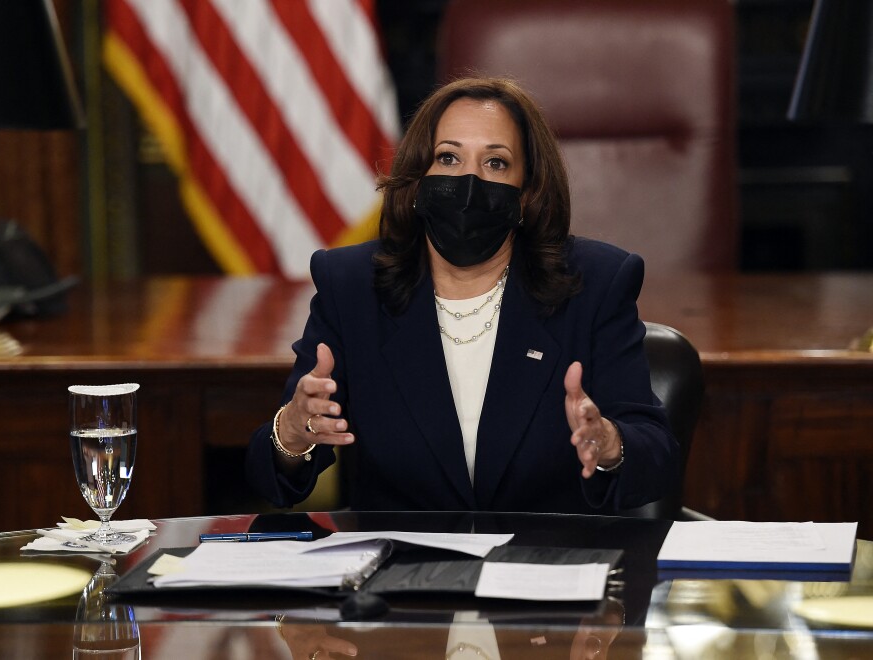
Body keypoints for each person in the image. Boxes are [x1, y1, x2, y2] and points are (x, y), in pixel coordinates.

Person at [246, 77, 680, 513]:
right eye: (448, 158)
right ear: (417, 182)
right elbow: (274, 476)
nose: (469, 182)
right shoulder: (353, 285)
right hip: (401, 569)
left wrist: (609, 444)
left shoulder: (596, 283)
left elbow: (656, 455)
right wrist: (292, 435)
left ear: (527, 194)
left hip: (544, 567)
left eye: (495, 163)